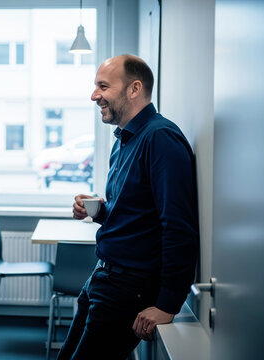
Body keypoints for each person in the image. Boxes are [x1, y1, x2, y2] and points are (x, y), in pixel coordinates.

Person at [58, 55, 199, 359]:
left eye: (103, 86)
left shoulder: (161, 138)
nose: (94, 95)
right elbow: (132, 212)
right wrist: (96, 210)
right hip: (103, 276)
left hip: (129, 286)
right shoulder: (124, 139)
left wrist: (167, 303)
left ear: (134, 89)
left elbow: (178, 227)